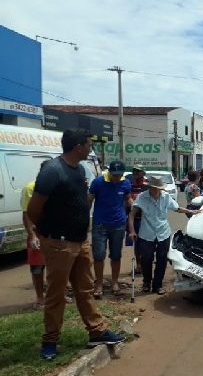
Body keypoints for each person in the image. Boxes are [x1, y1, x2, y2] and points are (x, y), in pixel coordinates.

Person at [27, 128, 124, 360]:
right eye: (89, 144)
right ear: (78, 146)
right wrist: (47, 234)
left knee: (85, 289)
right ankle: (50, 341)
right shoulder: (53, 170)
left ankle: (97, 331)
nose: (91, 148)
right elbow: (33, 209)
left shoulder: (80, 169)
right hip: (59, 242)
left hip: (80, 242)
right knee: (56, 294)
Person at [128, 175, 201, 295]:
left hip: (163, 232)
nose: (156, 190)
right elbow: (132, 214)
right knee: (146, 259)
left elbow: (177, 208)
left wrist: (191, 211)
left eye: (158, 188)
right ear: (150, 187)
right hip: (147, 233)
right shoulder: (142, 197)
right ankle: (147, 282)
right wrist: (132, 231)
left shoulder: (166, 197)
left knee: (162, 260)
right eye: (154, 188)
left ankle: (158, 285)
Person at [88, 160, 132, 298]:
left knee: (116, 255)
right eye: (114, 175)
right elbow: (88, 201)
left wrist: (130, 215)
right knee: (99, 255)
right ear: (109, 172)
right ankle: (99, 284)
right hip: (100, 224)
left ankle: (114, 282)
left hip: (118, 224)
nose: (117, 178)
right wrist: (84, 219)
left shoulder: (126, 183)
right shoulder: (98, 182)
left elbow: (127, 200)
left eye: (119, 175)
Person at [21, 160, 49, 309]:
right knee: (37, 267)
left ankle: (58, 294)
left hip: (54, 233)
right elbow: (26, 213)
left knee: (58, 266)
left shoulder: (58, 187)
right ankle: (40, 298)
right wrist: (31, 234)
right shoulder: (30, 188)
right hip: (37, 233)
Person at [124, 165, 148, 273]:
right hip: (134, 218)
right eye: (134, 171)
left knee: (147, 243)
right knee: (137, 243)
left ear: (143, 173)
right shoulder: (130, 185)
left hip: (146, 219)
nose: (136, 173)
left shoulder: (147, 185)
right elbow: (126, 199)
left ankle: (146, 264)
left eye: (138, 171)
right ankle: (139, 266)